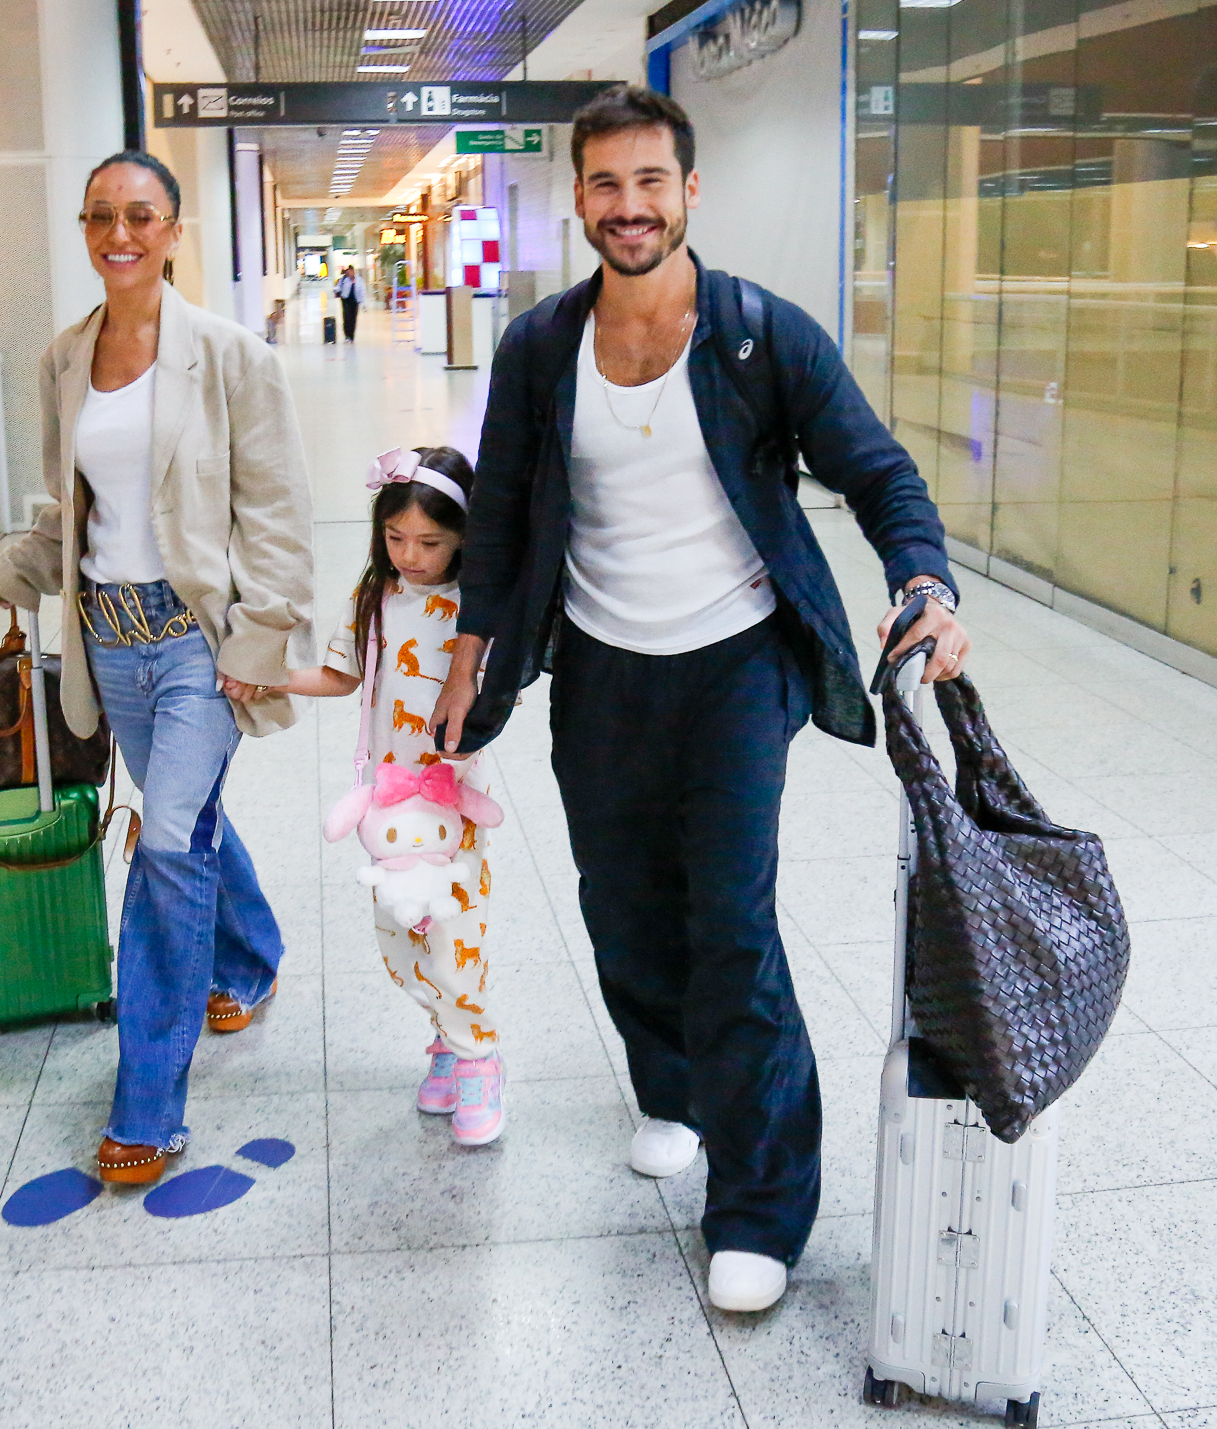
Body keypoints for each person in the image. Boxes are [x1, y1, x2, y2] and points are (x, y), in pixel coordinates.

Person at [430, 85, 971, 1313]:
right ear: (578, 199)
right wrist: (472, 646)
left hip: (734, 664)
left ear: (688, 192)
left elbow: (875, 471)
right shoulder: (536, 348)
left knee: (728, 924)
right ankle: (668, 1085)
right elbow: (505, 515)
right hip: (601, 665)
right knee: (622, 909)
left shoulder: (757, 336)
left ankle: (761, 1205)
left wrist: (922, 577)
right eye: (605, 185)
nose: (629, 207)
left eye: (650, 182)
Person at [0, 150, 314, 1187]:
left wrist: (260, 642)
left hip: (196, 640)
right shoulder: (64, 358)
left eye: (139, 215)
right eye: (99, 217)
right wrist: (8, 574)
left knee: (165, 841)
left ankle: (147, 1104)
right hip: (108, 645)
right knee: (192, 818)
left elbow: (277, 511)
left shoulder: (227, 356)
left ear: (173, 230)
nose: (117, 233)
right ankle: (248, 956)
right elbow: (67, 510)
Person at [276, 446, 504, 1146]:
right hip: (384, 804)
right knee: (399, 938)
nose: (411, 555)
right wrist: (272, 678)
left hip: (449, 801)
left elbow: (497, 694)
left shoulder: (476, 608)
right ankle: (446, 1036)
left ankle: (479, 1058)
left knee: (452, 936)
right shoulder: (374, 597)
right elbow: (342, 675)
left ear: (464, 535)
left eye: (430, 542)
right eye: (395, 538)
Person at [334, 262, 368, 341]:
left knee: (353, 318)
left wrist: (363, 303)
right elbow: (338, 287)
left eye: (350, 271)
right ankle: (347, 335)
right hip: (346, 300)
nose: (349, 273)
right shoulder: (344, 280)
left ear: (353, 271)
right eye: (348, 272)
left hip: (355, 301)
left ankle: (352, 335)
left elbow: (362, 291)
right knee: (346, 317)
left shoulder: (359, 280)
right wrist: (336, 290)